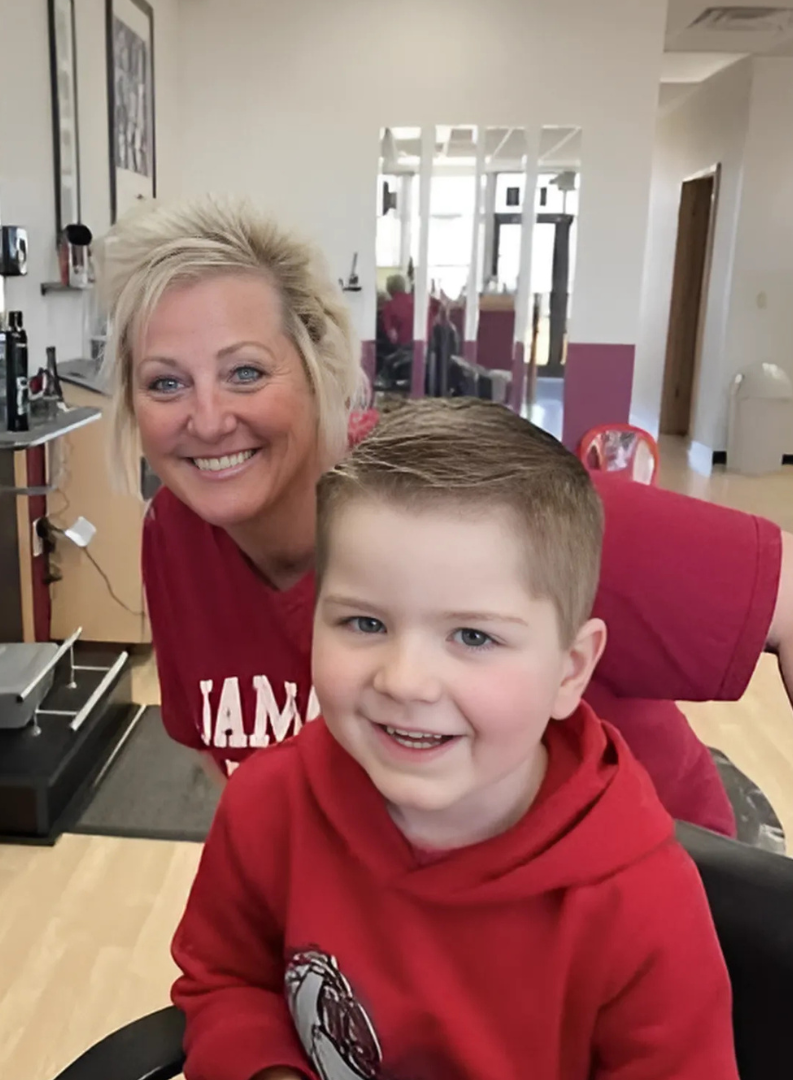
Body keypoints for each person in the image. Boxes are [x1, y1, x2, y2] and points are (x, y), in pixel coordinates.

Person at [100, 195, 793, 835]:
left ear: (319, 364)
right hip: (409, 916)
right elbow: (225, 764)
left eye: (246, 372)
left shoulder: (468, 496)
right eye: (166, 382)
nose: (208, 419)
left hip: (647, 895)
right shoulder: (177, 537)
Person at [171, 400, 738, 1080]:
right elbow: (227, 980)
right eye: (364, 624)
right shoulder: (267, 806)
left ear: (570, 670)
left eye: (473, 636)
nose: (405, 681)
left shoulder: (644, 908)